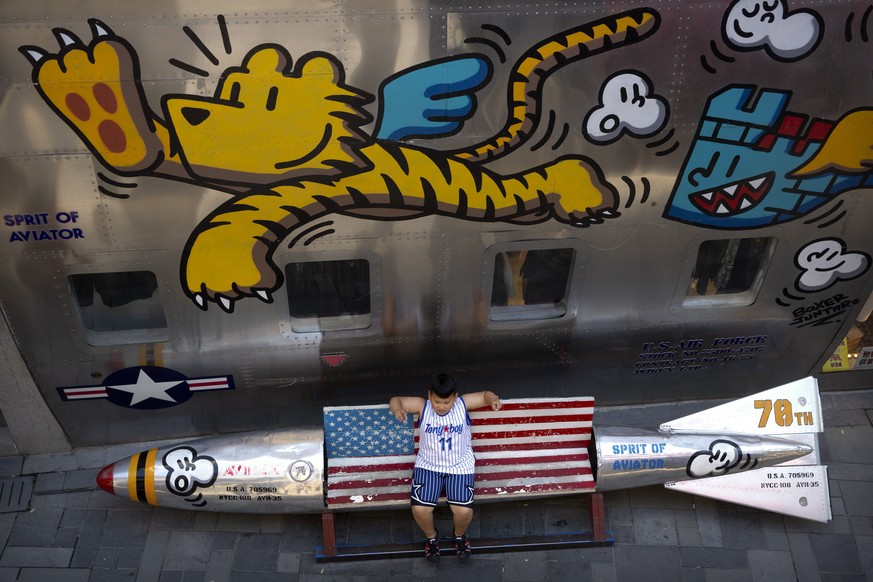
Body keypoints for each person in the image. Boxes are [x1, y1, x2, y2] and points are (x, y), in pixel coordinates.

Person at [388, 373, 502, 562]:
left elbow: (484, 395)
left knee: (463, 511)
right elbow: (395, 399)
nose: (441, 406)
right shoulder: (422, 406)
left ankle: (459, 535)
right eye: (437, 401)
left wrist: (492, 399)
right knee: (420, 510)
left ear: (455, 397)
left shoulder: (462, 404)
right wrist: (398, 408)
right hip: (428, 465)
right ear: (430, 395)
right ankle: (432, 538)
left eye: (446, 402)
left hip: (459, 466)